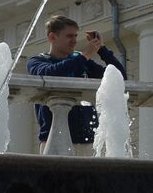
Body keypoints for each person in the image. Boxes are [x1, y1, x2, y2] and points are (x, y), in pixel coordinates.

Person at [27, 14, 126, 155]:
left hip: (88, 142)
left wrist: (102, 49)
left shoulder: (80, 61)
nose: (74, 41)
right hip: (53, 138)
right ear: (52, 37)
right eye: (69, 36)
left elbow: (119, 78)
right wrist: (84, 56)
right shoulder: (37, 61)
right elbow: (50, 74)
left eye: (75, 36)